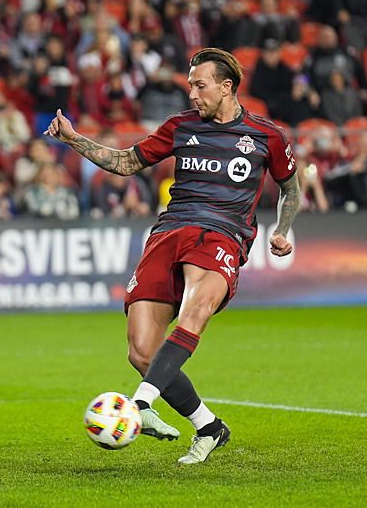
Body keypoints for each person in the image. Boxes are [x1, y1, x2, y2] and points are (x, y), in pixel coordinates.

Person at [45, 47, 300, 465]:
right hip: (168, 232)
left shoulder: (266, 135)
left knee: (196, 309)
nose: (193, 94)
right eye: (190, 86)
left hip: (223, 233)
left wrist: (283, 230)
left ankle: (140, 406)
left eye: (200, 86)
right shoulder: (180, 126)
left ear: (226, 86)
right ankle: (210, 428)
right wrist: (74, 139)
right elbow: (128, 162)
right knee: (141, 352)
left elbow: (291, 187)